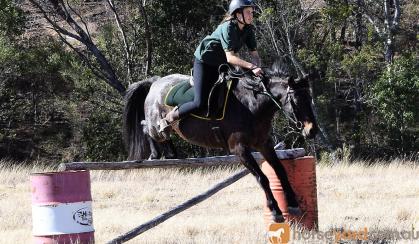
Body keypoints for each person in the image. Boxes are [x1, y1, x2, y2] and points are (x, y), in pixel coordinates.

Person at [159, 0, 263, 133]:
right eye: (248, 12)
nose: (251, 15)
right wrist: (252, 67)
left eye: (252, 12)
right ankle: (168, 119)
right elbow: (230, 58)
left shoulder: (248, 29)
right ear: (238, 14)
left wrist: (257, 70)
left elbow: (254, 54)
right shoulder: (228, 27)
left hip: (221, 63)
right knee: (199, 103)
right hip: (204, 62)